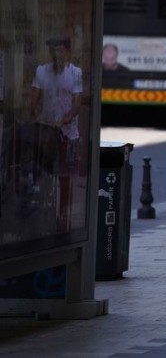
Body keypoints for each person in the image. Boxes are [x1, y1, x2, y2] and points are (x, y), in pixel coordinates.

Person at [32, 37, 83, 231]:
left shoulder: (75, 73)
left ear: (68, 52)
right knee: (45, 172)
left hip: (68, 133)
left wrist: (66, 119)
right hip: (47, 129)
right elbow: (34, 97)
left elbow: (77, 104)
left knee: (66, 176)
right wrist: (37, 115)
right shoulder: (41, 71)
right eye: (55, 52)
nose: (58, 55)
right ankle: (44, 211)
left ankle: (64, 214)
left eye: (61, 51)